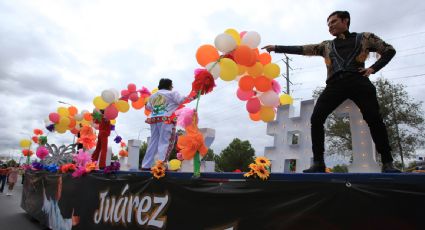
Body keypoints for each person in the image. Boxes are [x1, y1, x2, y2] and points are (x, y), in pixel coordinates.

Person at [262, 10, 400, 173]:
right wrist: (277, 47)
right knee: (317, 117)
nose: (330, 26)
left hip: (359, 81)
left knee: (374, 119)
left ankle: (387, 162)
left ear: (345, 21)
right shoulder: (327, 45)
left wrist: (373, 68)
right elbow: (303, 49)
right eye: (328, 24)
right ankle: (319, 162)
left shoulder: (365, 37)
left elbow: (389, 50)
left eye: (333, 22)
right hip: (335, 85)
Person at [141, 78, 195, 169]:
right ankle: (161, 165)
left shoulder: (153, 96)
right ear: (169, 86)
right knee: (165, 141)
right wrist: (195, 95)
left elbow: (148, 107)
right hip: (166, 120)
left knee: (153, 142)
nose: (172, 87)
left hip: (154, 120)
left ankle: (146, 165)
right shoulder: (172, 93)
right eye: (171, 85)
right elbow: (182, 100)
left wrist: (147, 104)